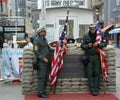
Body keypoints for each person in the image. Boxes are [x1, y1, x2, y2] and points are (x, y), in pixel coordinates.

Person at [81, 24, 107, 96]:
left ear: (96, 29)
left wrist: (98, 45)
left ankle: (96, 89)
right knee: (90, 73)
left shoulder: (99, 35)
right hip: (89, 57)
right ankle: (92, 89)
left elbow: (105, 44)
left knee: (96, 73)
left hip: (97, 56)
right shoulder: (86, 35)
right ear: (89, 29)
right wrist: (87, 46)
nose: (93, 30)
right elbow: (82, 46)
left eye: (94, 29)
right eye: (91, 29)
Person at [33, 27, 54, 98]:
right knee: (42, 77)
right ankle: (40, 92)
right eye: (44, 32)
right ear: (40, 32)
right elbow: (36, 52)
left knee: (45, 77)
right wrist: (43, 59)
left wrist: (56, 49)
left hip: (47, 61)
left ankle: (43, 91)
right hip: (41, 62)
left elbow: (48, 49)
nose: (45, 33)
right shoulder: (36, 40)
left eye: (45, 31)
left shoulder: (45, 40)